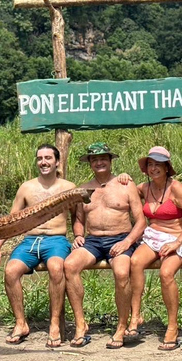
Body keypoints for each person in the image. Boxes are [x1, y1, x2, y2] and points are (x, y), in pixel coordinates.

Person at [0, 144, 77, 348]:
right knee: (11, 271)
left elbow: (78, 217)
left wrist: (81, 236)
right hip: (30, 241)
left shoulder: (68, 187)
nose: (43, 162)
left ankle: (54, 324)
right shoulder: (27, 187)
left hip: (56, 240)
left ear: (57, 161)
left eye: (48, 158)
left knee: (56, 268)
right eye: (40, 158)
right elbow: (12, 219)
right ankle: (21, 323)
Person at [118, 146, 182, 351]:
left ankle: (173, 326)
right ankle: (136, 316)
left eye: (158, 164)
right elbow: (125, 190)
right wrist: (123, 177)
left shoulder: (176, 188)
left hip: (176, 237)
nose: (154, 168)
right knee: (135, 262)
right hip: (152, 237)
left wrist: (177, 242)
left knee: (166, 273)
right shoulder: (144, 188)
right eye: (150, 164)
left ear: (167, 168)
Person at [64, 142, 145, 349]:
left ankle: (121, 326)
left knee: (121, 272)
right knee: (70, 265)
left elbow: (141, 221)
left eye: (103, 158)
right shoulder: (83, 189)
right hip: (93, 241)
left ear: (110, 161)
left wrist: (127, 242)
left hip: (121, 238)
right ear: (90, 163)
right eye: (94, 159)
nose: (99, 162)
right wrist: (79, 234)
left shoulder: (125, 185)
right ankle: (81, 325)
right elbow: (79, 219)